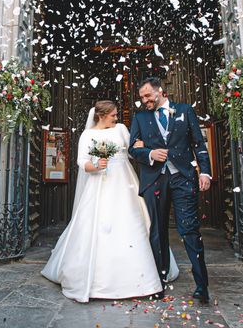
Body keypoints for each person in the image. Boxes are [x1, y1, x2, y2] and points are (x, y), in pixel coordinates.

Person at [41, 100, 178, 302]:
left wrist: (142, 146)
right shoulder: (88, 135)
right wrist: (96, 165)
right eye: (113, 115)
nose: (116, 118)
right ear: (101, 116)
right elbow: (82, 162)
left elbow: (133, 148)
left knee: (133, 222)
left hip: (125, 183)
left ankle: (146, 275)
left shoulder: (121, 129)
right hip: (99, 184)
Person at [128, 77, 212, 303]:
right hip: (154, 180)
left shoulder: (184, 110)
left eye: (148, 96)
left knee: (189, 231)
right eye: (142, 97)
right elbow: (132, 149)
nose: (144, 101)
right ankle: (158, 283)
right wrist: (149, 154)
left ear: (160, 92)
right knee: (157, 231)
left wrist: (205, 172)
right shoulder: (140, 117)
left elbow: (198, 144)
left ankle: (202, 286)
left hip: (183, 178)